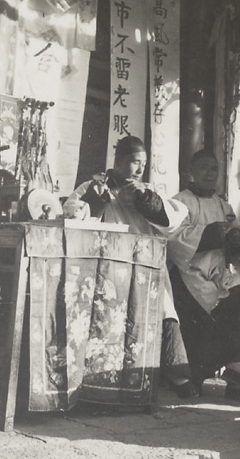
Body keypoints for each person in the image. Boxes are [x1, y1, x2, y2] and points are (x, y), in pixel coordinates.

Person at [68, 135, 198, 399]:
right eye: (134, 162)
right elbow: (72, 213)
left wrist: (146, 201)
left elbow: (174, 220)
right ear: (118, 161)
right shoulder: (92, 186)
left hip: (144, 267)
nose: (140, 169)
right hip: (106, 268)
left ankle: (177, 374)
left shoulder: (146, 189)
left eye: (144, 163)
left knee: (164, 310)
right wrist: (95, 201)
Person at [167, 149, 240, 403]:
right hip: (189, 274)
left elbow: (235, 237)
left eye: (213, 169)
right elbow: (174, 240)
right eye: (202, 168)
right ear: (189, 171)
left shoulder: (222, 204)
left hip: (218, 273)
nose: (209, 173)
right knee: (216, 309)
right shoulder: (179, 202)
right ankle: (196, 374)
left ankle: (236, 372)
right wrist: (215, 233)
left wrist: (236, 240)